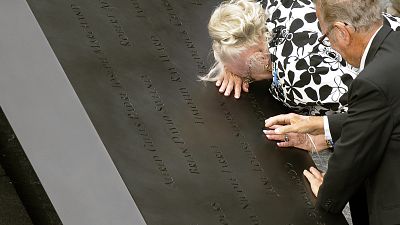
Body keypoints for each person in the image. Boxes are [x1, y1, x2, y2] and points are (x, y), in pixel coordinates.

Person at [265, 0, 400, 224]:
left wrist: (327, 194)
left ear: (342, 32)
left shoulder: (371, 82)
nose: (329, 43)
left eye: (325, 36)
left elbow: (353, 157)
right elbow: (384, 112)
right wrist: (322, 126)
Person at [202, 0, 359, 115]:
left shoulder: (295, 77)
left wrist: (324, 135)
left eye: (247, 76)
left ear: (262, 60)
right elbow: (234, 35)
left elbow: (367, 115)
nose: (244, 79)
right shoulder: (267, 8)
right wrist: (231, 66)